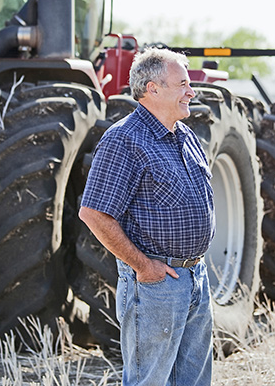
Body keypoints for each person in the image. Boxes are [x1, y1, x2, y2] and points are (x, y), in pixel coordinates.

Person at [79, 47, 215, 386]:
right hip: (157, 282)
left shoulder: (185, 137)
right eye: (182, 84)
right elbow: (94, 214)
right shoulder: (124, 139)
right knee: (149, 381)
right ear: (152, 88)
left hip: (196, 275)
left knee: (194, 380)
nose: (191, 91)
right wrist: (144, 266)